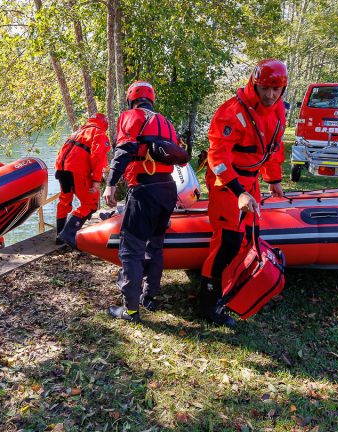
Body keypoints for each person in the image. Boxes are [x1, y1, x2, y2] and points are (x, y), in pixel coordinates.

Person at [199, 59, 288, 327]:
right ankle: (207, 303)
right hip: (226, 182)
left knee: (251, 236)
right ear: (255, 83)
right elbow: (218, 157)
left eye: (276, 90)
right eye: (265, 89)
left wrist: (273, 179)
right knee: (227, 242)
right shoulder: (231, 112)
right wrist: (238, 191)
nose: (270, 95)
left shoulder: (278, 109)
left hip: (251, 182)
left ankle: (237, 289)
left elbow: (273, 147)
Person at [100, 80, 180, 322]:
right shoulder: (167, 123)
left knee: (131, 249)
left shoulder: (130, 116)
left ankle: (131, 310)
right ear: (151, 99)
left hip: (145, 189)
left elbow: (124, 151)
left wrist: (111, 184)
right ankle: (149, 296)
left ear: (131, 99)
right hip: (168, 188)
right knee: (155, 245)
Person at [55, 113, 111, 247]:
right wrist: (96, 180)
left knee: (64, 200)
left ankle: (59, 236)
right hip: (77, 170)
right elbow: (97, 158)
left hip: (61, 169)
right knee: (90, 204)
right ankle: (67, 234)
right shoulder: (98, 133)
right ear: (105, 124)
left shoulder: (77, 132)